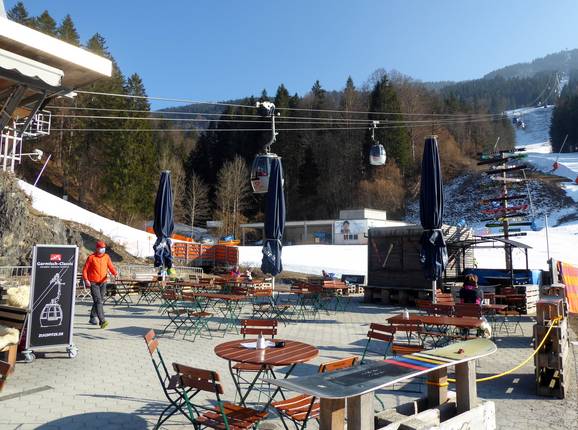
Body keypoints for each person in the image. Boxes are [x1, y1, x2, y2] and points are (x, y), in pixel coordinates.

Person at [82, 240, 118, 328]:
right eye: (101, 248)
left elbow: (110, 266)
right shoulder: (91, 257)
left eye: (104, 248)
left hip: (103, 282)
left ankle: (92, 317)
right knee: (98, 301)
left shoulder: (106, 257)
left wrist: (115, 273)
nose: (103, 249)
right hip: (93, 283)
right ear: (97, 248)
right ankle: (102, 321)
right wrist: (86, 280)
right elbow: (85, 270)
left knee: (99, 300)